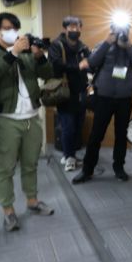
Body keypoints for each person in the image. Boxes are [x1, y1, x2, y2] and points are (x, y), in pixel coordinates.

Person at [0, 12, 55, 232]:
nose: (11, 31)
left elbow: (48, 73)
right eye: (6, 27)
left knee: (31, 164)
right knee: (6, 168)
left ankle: (32, 201)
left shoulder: (27, 55)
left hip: (32, 117)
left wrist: (39, 56)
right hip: (6, 120)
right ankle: (8, 211)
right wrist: (13, 52)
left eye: (14, 27)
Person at [72, 23, 132, 184]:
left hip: (124, 99)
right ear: (112, 30)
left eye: (124, 30)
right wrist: (107, 42)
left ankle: (119, 168)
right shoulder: (103, 45)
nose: (121, 33)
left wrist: (128, 46)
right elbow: (92, 62)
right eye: (118, 30)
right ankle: (87, 170)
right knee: (96, 135)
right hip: (104, 98)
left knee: (121, 135)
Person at [47, 16, 90, 172]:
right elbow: (56, 66)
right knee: (68, 127)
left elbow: (89, 63)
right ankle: (69, 157)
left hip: (81, 91)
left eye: (78, 27)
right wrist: (78, 66)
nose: (75, 30)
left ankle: (69, 155)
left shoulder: (83, 46)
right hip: (65, 92)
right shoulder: (56, 45)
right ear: (65, 29)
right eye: (72, 27)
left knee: (78, 126)